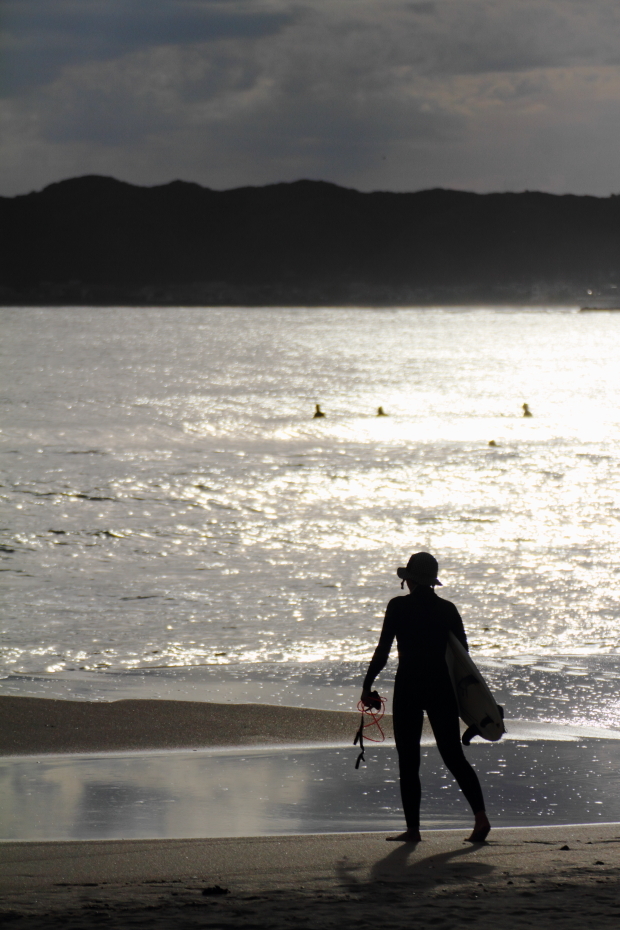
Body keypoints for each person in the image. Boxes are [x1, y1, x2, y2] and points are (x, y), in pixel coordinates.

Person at [361, 551, 490, 843]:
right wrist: (472, 706)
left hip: (409, 686)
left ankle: (413, 830)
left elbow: (383, 650)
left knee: (408, 760)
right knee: (453, 755)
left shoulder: (398, 607)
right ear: (432, 582)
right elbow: (463, 661)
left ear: (408, 580)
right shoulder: (448, 610)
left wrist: (367, 685)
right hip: (440, 686)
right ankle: (481, 817)